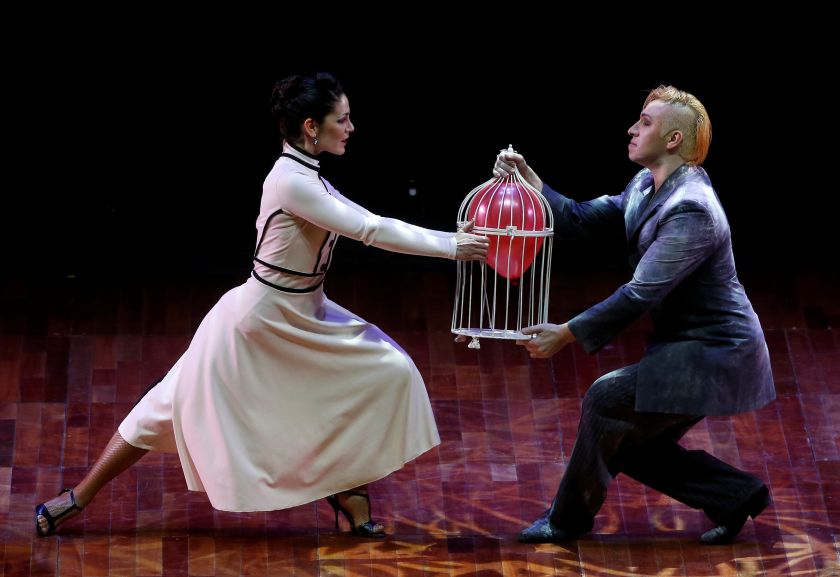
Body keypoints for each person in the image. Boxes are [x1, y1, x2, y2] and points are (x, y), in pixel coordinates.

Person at [35, 71, 488, 538]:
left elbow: (367, 223)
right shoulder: (292, 183)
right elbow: (370, 228)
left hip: (306, 314)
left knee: (389, 372)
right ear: (312, 127)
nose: (351, 128)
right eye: (343, 119)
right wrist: (452, 245)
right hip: (259, 322)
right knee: (163, 409)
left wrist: (452, 242)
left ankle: (346, 489)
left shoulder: (307, 176)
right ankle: (79, 497)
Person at [493, 85, 775, 545]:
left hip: (718, 353)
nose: (632, 127)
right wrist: (528, 178)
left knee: (607, 400)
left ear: (672, 141)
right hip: (688, 346)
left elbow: (640, 293)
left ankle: (567, 521)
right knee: (626, 441)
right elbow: (580, 219)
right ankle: (736, 495)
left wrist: (565, 334)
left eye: (645, 121)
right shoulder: (646, 185)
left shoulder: (692, 210)